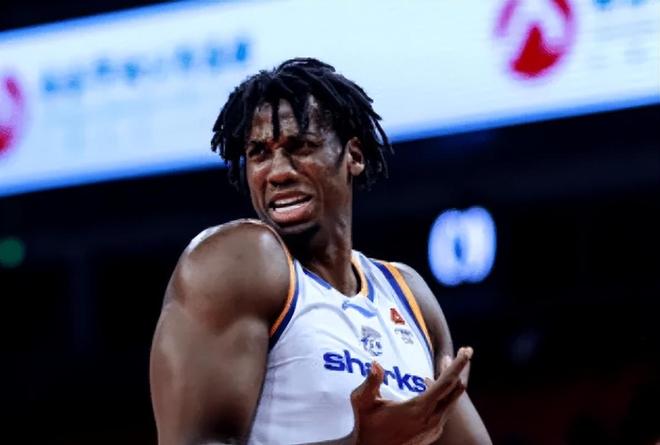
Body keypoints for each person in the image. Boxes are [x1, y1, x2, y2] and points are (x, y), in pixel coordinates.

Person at [150, 58, 491, 445]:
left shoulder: (408, 293)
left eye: (300, 147)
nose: (278, 171)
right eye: (260, 153)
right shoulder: (240, 260)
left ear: (354, 156)